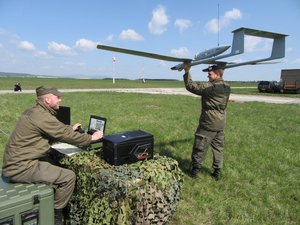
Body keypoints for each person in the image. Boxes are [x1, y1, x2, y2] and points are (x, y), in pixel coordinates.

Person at [2, 86, 103, 225]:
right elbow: (63, 134)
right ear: (48, 100)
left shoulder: (34, 111)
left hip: (17, 162)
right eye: (58, 97)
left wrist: (70, 128)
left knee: (54, 164)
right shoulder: (42, 116)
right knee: (68, 177)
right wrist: (90, 138)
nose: (60, 99)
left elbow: (54, 130)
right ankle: (56, 214)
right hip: (21, 167)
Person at [183, 64, 231, 180]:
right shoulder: (227, 86)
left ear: (217, 74)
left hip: (209, 122)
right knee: (218, 148)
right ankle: (217, 172)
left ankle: (194, 171)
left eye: (210, 74)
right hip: (221, 122)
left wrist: (186, 71)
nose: (207, 76)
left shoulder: (210, 87)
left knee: (200, 146)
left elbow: (191, 86)